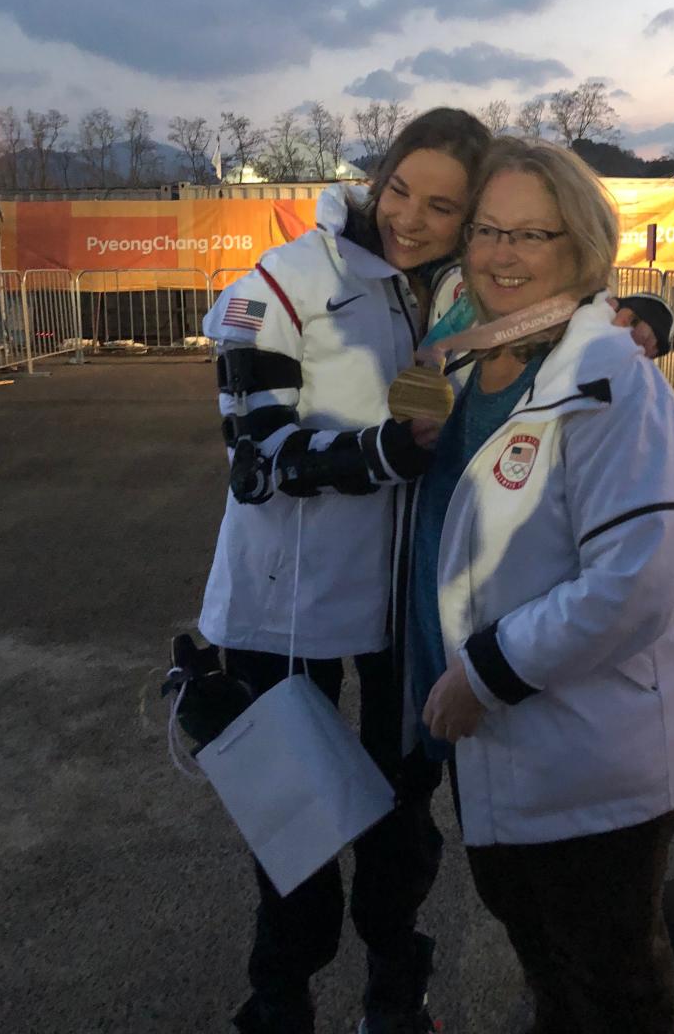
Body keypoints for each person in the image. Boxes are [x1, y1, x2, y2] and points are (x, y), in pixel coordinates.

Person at [412, 139, 674, 1033]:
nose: (500, 256)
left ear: (581, 248)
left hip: (587, 744)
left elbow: (638, 581)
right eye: (486, 231)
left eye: (531, 236)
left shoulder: (612, 380)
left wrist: (483, 674)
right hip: (490, 734)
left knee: (611, 978)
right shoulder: (467, 358)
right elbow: (407, 454)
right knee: (542, 953)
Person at [199, 107, 491, 1034]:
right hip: (278, 610)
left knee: (402, 821)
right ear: (380, 171)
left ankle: (396, 998)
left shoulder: (442, 295)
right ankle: (277, 1005)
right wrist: (388, 454)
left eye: (442, 207)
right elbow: (255, 457)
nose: (409, 216)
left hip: (397, 605)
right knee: (300, 827)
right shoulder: (284, 281)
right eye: (400, 186)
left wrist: (637, 326)